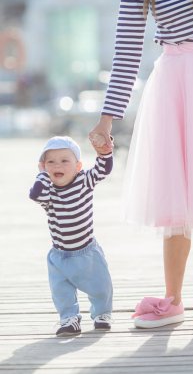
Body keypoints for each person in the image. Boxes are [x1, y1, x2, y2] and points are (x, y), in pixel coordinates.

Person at [89, 0, 193, 330]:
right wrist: (107, 119)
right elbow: (127, 50)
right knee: (174, 188)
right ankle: (174, 299)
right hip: (174, 79)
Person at [29, 135, 113, 337]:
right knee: (61, 291)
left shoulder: (84, 181)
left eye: (65, 160)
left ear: (78, 166)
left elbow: (103, 169)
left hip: (87, 252)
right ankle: (69, 318)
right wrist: (42, 175)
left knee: (100, 286)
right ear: (43, 166)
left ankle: (102, 314)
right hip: (60, 256)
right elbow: (35, 194)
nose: (58, 165)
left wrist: (105, 152)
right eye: (51, 162)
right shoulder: (48, 191)